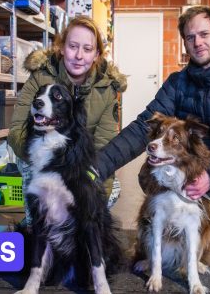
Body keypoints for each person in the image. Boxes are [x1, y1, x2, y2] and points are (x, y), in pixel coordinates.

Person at [95, 6, 210, 276]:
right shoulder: (177, 83)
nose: (198, 42)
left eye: (204, 34)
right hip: (187, 176)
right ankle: (169, 237)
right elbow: (141, 128)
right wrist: (96, 166)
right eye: (190, 37)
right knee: (149, 170)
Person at [8, 16, 127, 218]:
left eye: (87, 49)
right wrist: (48, 160)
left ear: (97, 54)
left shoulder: (107, 89)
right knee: (41, 209)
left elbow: (104, 148)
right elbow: (16, 132)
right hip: (40, 156)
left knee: (111, 191)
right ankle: (36, 219)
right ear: (62, 48)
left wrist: (94, 205)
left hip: (79, 162)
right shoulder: (40, 76)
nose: (79, 56)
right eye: (73, 46)